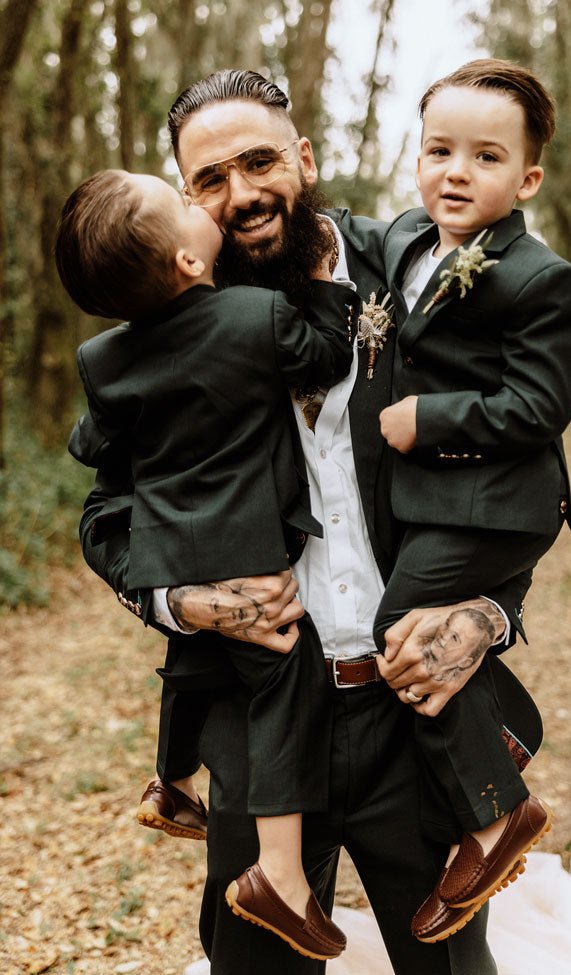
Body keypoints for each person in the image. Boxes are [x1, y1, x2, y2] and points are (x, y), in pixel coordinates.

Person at [75, 68, 541, 975]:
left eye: (259, 162)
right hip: (257, 717)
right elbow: (107, 515)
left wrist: (487, 616)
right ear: (187, 203)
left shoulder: (419, 275)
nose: (242, 194)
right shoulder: (156, 335)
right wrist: (185, 603)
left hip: (414, 713)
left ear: (306, 158)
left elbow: (512, 468)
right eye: (212, 179)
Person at [58, 166, 358, 959]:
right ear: (188, 261)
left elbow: (90, 441)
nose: (209, 204)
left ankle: (170, 778)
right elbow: (326, 352)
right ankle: (281, 876)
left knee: (193, 648)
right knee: (281, 680)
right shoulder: (256, 315)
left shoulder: (105, 358)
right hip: (254, 558)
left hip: (179, 549)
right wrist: (326, 286)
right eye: (190, 196)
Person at [375, 58, 571, 942]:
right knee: (412, 640)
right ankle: (500, 736)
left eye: (485, 156)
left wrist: (432, 418)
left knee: (400, 634)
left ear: (526, 177)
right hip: (438, 504)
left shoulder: (538, 277)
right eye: (439, 150)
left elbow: (540, 407)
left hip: (500, 502)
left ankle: (498, 821)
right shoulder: (401, 238)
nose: (455, 171)